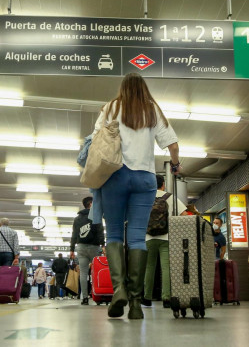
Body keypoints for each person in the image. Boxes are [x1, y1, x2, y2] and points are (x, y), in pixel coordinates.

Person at [92, 72, 179, 320]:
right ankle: (136, 303)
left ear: (123, 88)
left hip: (115, 176)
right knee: (138, 238)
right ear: (144, 89)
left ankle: (119, 289)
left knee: (116, 234)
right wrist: (175, 165)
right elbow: (172, 145)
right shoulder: (152, 109)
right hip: (144, 178)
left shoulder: (111, 107)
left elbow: (96, 138)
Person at [142, 175, 184, 309]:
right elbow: (184, 215)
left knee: (149, 268)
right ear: (163, 184)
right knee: (166, 268)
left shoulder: (145, 197)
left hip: (148, 238)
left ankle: (147, 297)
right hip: (166, 238)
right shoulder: (170, 197)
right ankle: (166, 298)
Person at [70, 196, 105, 305]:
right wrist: (103, 245)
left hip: (81, 247)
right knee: (96, 272)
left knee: (83, 273)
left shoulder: (77, 219)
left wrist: (71, 249)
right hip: (94, 247)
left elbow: (74, 235)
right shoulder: (96, 215)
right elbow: (100, 231)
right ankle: (97, 296)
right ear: (90, 204)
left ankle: (84, 298)